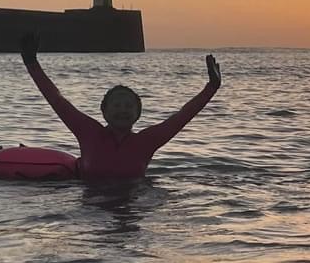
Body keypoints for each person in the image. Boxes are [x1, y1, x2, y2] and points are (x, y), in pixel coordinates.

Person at [20, 33, 221, 180]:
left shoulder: (147, 141)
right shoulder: (88, 131)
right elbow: (57, 101)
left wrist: (211, 87)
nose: (122, 109)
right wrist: (31, 63)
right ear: (104, 111)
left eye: (128, 105)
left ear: (138, 114)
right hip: (92, 210)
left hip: (133, 205)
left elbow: (182, 116)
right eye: (116, 105)